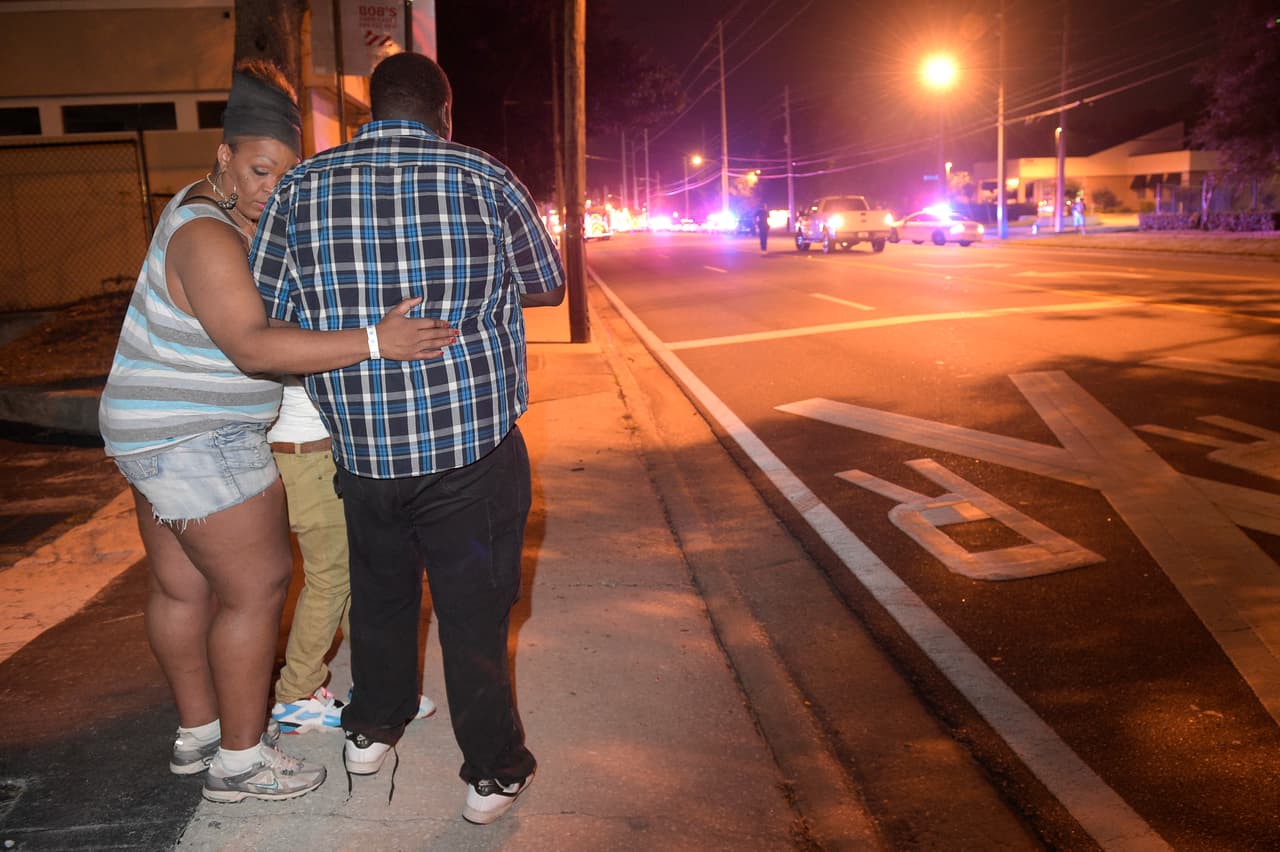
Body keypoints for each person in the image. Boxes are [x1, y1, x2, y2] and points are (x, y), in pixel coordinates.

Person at [98, 60, 456, 804]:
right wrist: (373, 341)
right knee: (258, 590)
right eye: (260, 169)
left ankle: (198, 733)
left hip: (145, 430)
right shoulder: (209, 236)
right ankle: (239, 760)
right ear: (224, 156)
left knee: (183, 588)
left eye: (286, 173)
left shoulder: (197, 210)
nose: (272, 186)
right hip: (201, 435)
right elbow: (253, 346)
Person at [249, 51, 565, 825]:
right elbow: (549, 283)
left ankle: (372, 726)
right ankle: (492, 771)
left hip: (362, 451)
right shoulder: (486, 177)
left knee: (383, 595)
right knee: (474, 614)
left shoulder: (300, 187)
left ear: (369, 112)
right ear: (443, 114)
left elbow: (265, 307)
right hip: (472, 450)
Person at [267, 383, 438, 731]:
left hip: (309, 453)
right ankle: (296, 695)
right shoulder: (302, 328)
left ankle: (380, 690)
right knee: (330, 579)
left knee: (347, 576)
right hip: (310, 454)